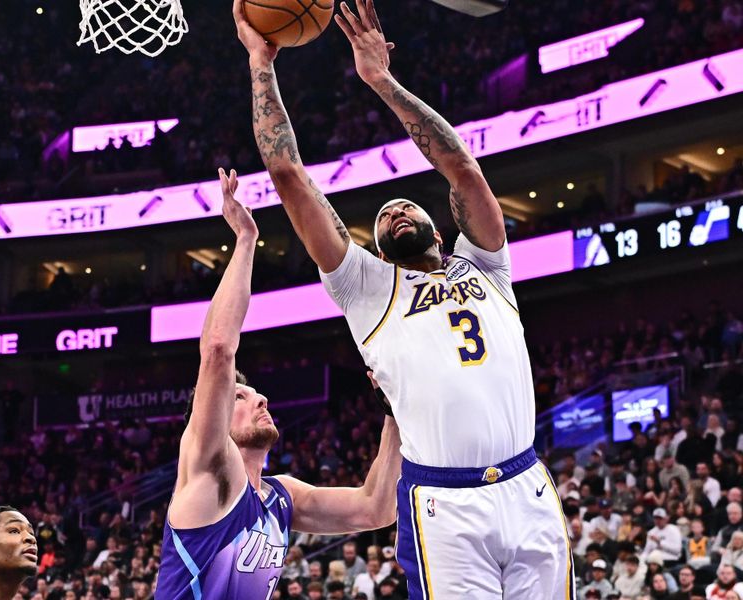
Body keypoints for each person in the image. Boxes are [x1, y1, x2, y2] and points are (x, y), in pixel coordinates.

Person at [233, 0, 572, 597]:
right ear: (381, 253)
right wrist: (262, 62)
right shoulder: (367, 288)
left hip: (529, 488)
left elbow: (461, 166)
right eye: (383, 217)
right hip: (443, 502)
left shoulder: (487, 263)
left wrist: (381, 80)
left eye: (406, 206)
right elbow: (288, 175)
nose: (392, 209)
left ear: (441, 232)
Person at [155, 169, 402, 599]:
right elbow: (217, 348)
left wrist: (394, 410)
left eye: (254, 392)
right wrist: (246, 240)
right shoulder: (208, 472)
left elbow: (376, 508)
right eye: (240, 396)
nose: (260, 397)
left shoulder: (281, 496)